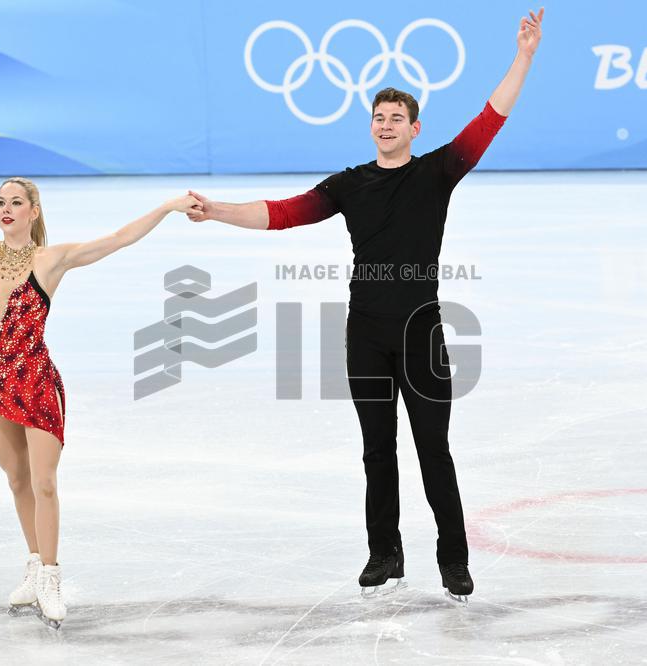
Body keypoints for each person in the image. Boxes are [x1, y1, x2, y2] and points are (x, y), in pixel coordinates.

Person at [186, 10, 544, 602]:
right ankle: (385, 554)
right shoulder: (350, 185)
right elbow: (283, 212)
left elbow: (491, 118)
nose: (384, 125)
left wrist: (524, 56)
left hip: (421, 333)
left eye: (395, 118)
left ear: (415, 127)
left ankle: (453, 558)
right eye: (378, 118)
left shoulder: (437, 174)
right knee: (377, 449)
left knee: (434, 450)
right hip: (366, 337)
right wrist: (218, 209)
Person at [0, 90, 196, 627]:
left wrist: (163, 207)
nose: (5, 209)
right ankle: (30, 565)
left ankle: (51, 575)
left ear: (33, 210)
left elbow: (116, 240)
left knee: (44, 481)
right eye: (0, 201)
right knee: (17, 480)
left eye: (16, 201)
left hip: (37, 380)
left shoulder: (51, 259)